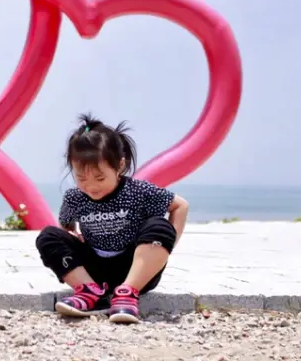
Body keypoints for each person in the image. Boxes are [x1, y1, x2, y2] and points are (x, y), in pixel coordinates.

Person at [35, 114, 189, 324]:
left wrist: (165, 248)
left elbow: (180, 206)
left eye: (99, 178)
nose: (91, 186)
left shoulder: (138, 191)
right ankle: (91, 293)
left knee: (159, 226)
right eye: (81, 178)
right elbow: (65, 226)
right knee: (48, 236)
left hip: (134, 267)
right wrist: (71, 234)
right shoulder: (75, 197)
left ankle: (127, 293)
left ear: (120, 166)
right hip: (94, 270)